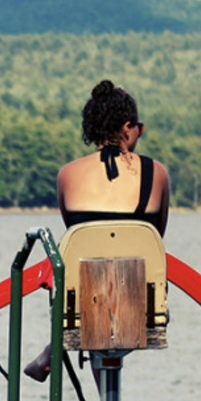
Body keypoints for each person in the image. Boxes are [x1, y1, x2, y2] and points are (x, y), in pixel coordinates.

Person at [25, 79, 171, 381]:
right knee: (107, 283)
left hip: (83, 305)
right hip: (142, 306)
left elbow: (78, 240)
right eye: (139, 129)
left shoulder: (67, 174)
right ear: (129, 128)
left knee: (91, 284)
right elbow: (157, 235)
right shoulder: (156, 173)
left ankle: (54, 349)